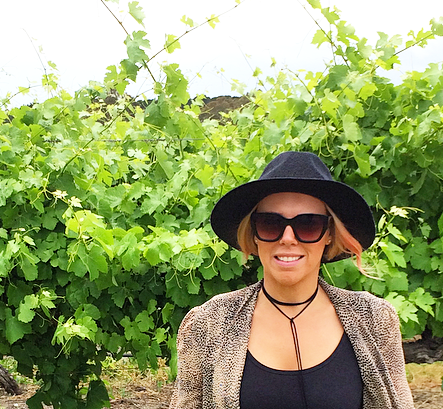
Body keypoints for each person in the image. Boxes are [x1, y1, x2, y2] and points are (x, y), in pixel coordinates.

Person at [169, 151, 414, 409]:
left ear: (329, 234)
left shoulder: (374, 320)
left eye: (308, 223)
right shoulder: (209, 325)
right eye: (270, 223)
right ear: (253, 233)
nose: (288, 238)